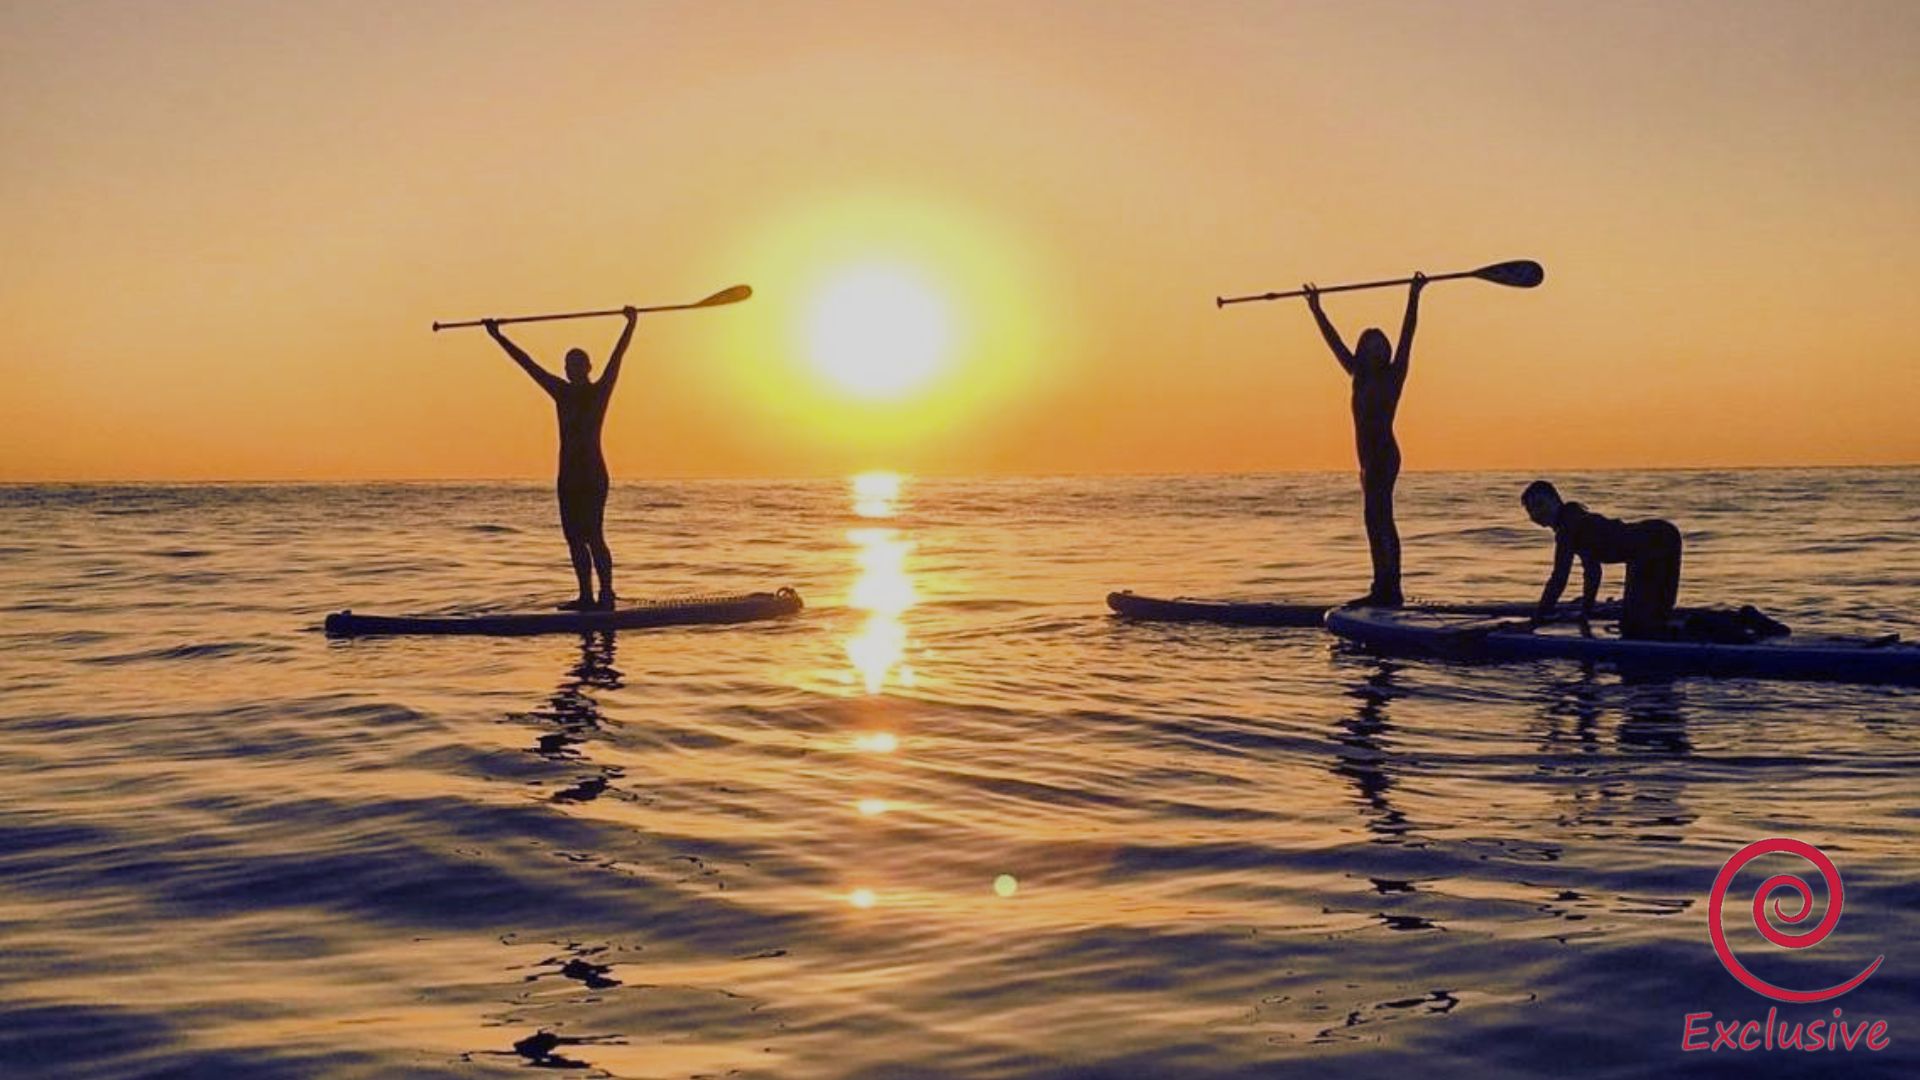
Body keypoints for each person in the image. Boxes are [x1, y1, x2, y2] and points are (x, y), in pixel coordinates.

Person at [484, 308, 637, 610]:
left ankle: (606, 595)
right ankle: (585, 597)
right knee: (573, 537)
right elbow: (527, 364)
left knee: (593, 534)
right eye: (568, 365)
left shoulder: (599, 391)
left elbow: (618, 357)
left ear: (587, 368)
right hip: (567, 476)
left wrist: (631, 324)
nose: (571, 369)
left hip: (592, 474)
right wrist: (498, 337)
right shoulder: (560, 391)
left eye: (576, 364)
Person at [1305, 273, 1425, 606]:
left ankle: (1388, 589)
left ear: (1385, 351)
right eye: (1369, 344)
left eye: (1379, 345)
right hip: (1366, 459)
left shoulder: (1394, 374)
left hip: (1384, 455)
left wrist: (1413, 295)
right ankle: (1384, 586)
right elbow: (1333, 342)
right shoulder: (1357, 373)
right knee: (1375, 520)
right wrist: (1316, 309)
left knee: (1380, 517)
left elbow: (1408, 334)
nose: (1375, 349)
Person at [1521, 480, 1683, 639]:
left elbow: (1559, 578)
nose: (1536, 513)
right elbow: (1592, 572)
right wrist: (1586, 610)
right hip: (1657, 538)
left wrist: (1537, 619)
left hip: (1657, 540)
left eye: (1540, 504)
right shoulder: (1574, 520)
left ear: (1555, 500)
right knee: (1640, 618)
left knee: (1636, 626)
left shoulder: (1569, 529)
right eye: (1531, 510)